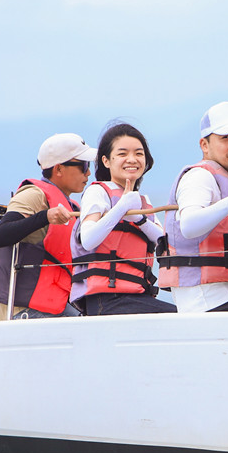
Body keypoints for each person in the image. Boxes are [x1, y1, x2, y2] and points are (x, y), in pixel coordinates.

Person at [0, 133, 96, 320]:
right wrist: (45, 216)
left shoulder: (72, 207)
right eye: (84, 166)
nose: (88, 173)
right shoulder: (34, 194)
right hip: (24, 310)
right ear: (59, 169)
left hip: (54, 304)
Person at [159, 102, 228, 312]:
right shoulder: (199, 176)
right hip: (207, 299)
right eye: (226, 137)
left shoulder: (225, 181)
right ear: (204, 145)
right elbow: (188, 225)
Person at [70, 122, 177, 316]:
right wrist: (121, 208)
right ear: (106, 161)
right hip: (105, 300)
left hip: (136, 296)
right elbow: (88, 239)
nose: (132, 159)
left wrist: (140, 219)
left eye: (139, 153)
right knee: (177, 317)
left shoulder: (143, 201)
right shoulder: (98, 192)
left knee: (184, 314)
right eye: (122, 154)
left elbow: (163, 241)